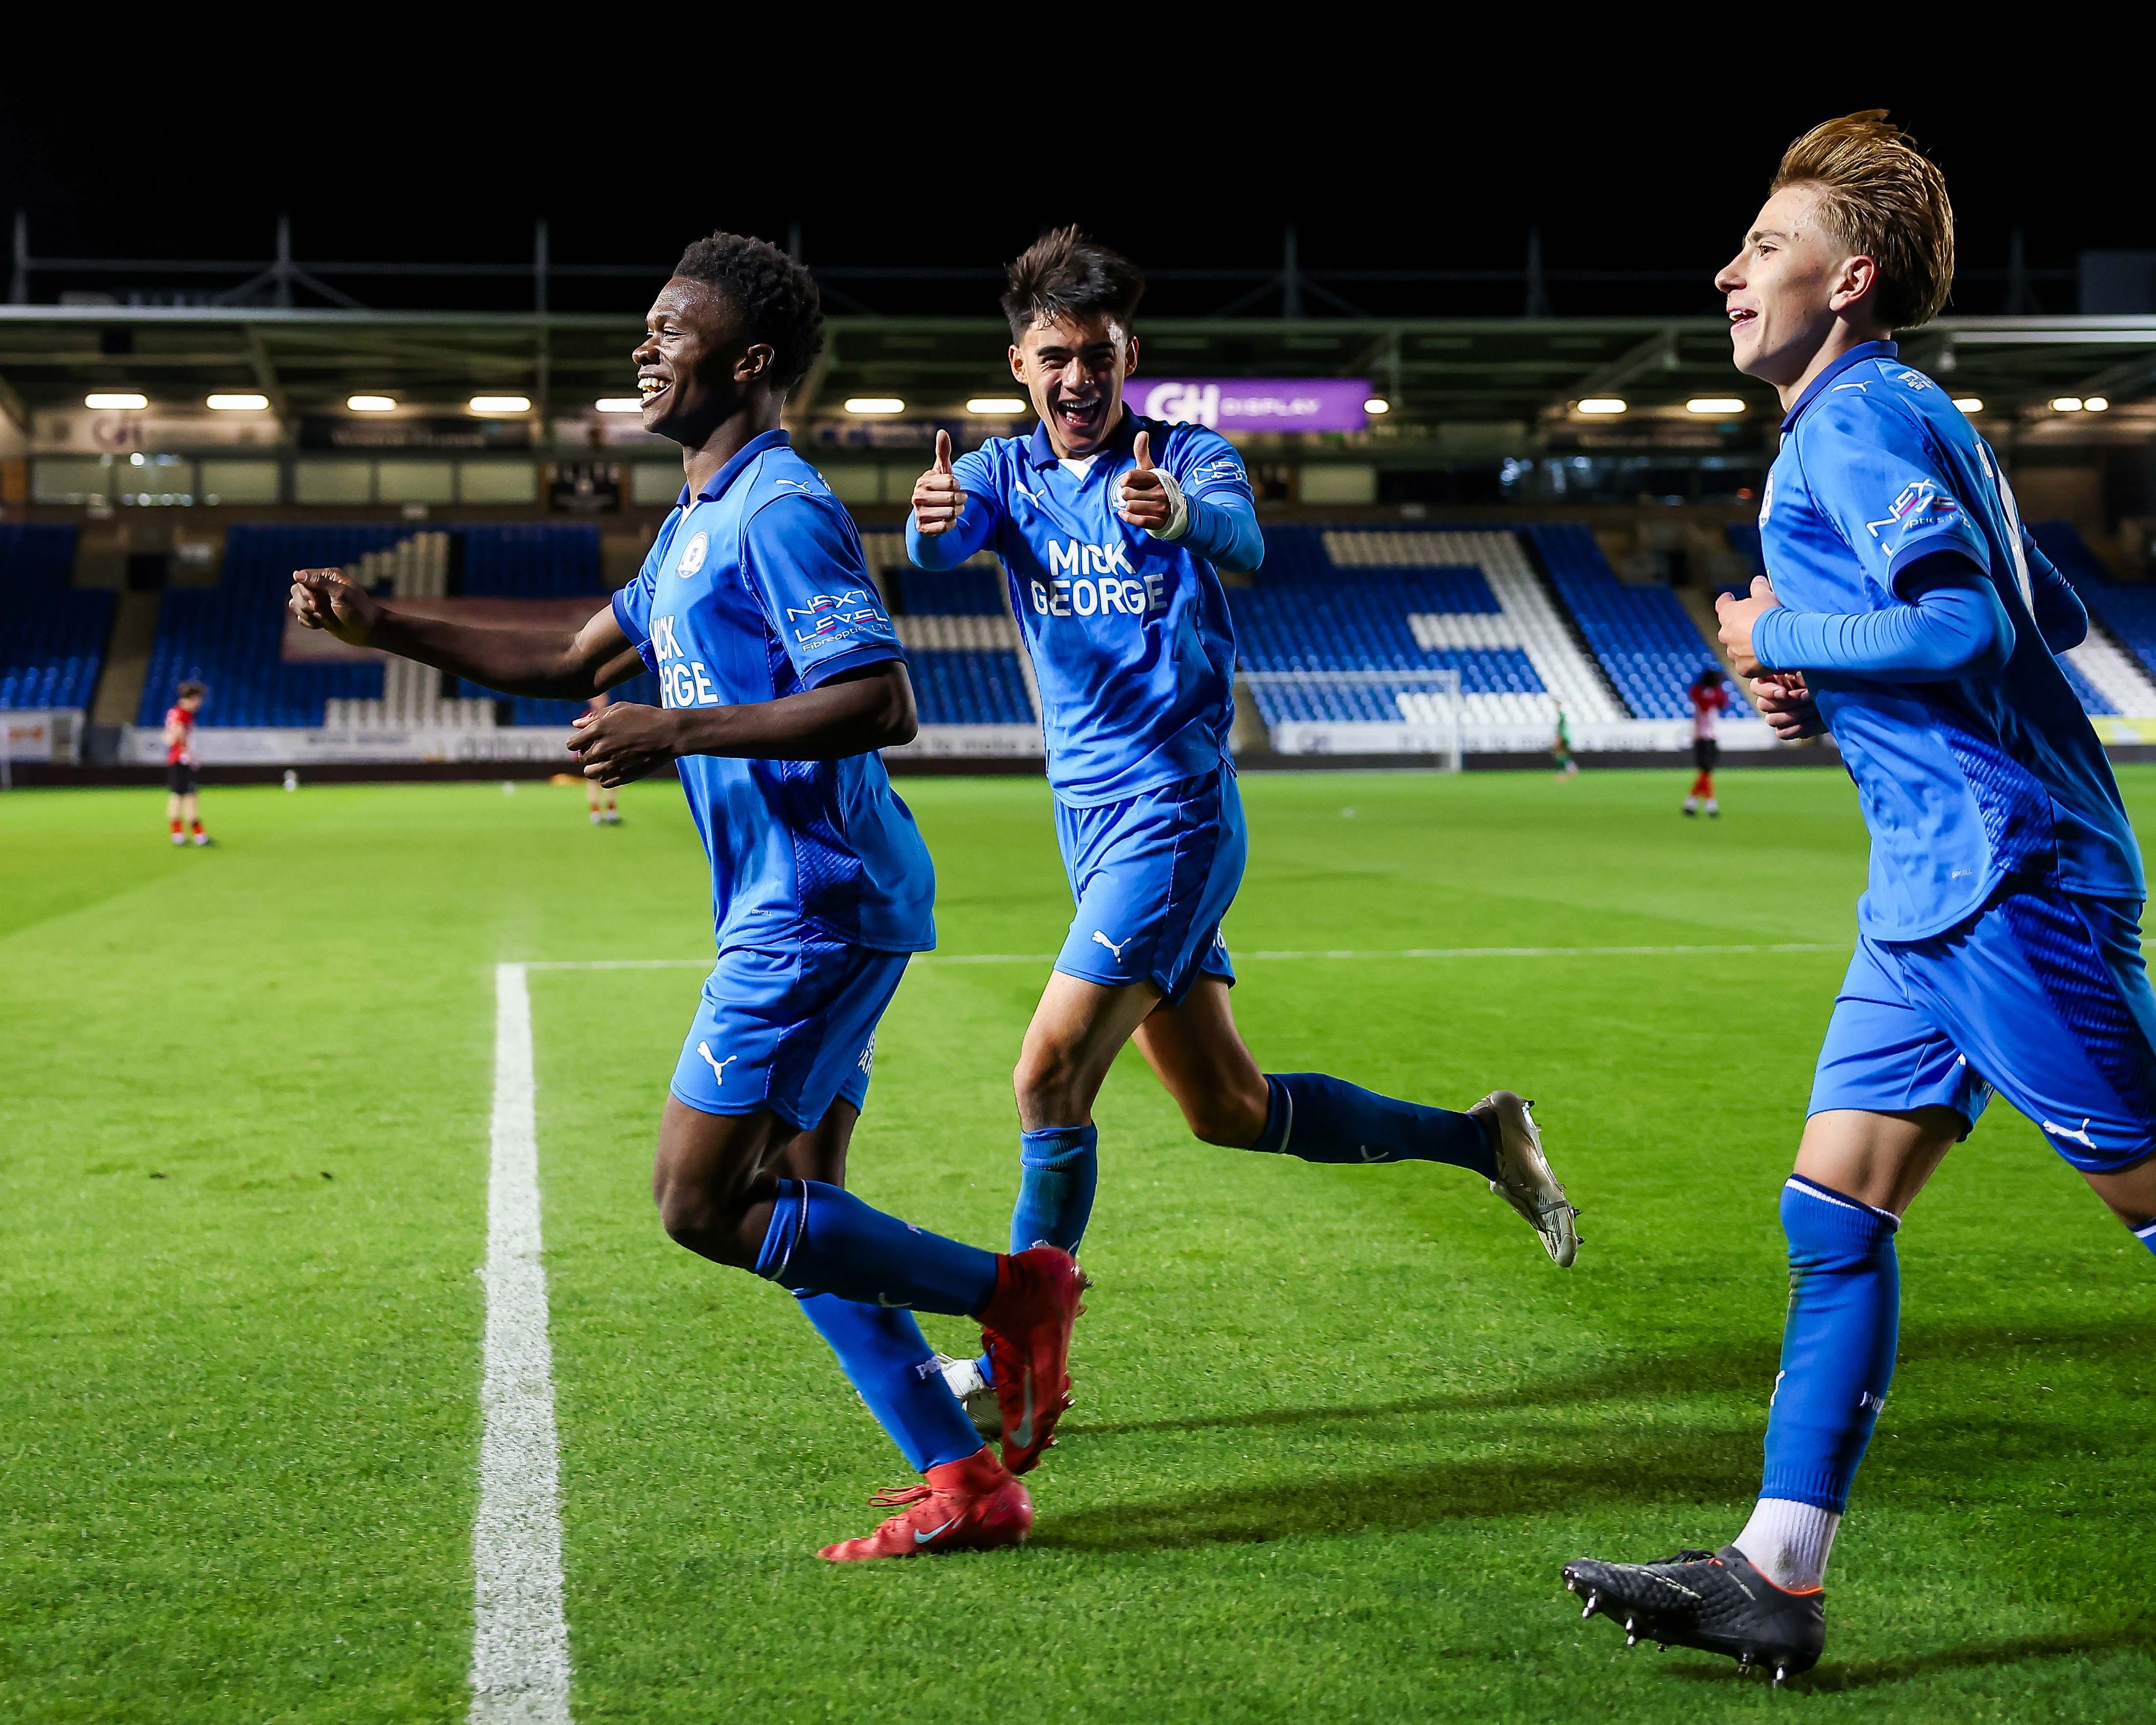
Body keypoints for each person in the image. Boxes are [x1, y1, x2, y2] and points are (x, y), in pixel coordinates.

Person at [288, 231, 1084, 1563]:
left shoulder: (777, 507)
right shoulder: (691, 527)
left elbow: (880, 701)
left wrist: (674, 733)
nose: (644, 347)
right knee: (805, 1209)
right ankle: (966, 1482)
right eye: (647, 327)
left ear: (749, 360)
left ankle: (1014, 1295)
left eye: (671, 327)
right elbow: (563, 654)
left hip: (817, 900)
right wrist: (389, 625)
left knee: (701, 1201)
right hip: (809, 893)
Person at [1562, 113, 2155, 1684]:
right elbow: (2059, 605)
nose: (1730, 268)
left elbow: (1963, 626)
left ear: (1853, 276)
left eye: (1766, 245)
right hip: (1931, 889)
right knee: (1832, 1212)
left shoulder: (1853, 424)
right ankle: (1776, 1569)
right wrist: (1829, 666)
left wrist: (1791, 643)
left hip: (2004, 877)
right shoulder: (1900, 412)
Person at [907, 228, 1577, 1431]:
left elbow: (1244, 536)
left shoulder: (1187, 456)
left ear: (1129, 358)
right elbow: (940, 544)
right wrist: (928, 515)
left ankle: (1016, 1359)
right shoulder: (1005, 477)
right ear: (1020, 363)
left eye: (1098, 356)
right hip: (1090, 828)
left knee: (1049, 1072)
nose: (1078, 379)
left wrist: (1177, 518)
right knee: (1227, 1109)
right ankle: (1482, 1142)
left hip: (1175, 812)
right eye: (1055, 356)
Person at [163, 680, 210, 846]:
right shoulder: (181, 713)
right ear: (190, 699)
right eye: (198, 699)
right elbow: (174, 735)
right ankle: (189, 834)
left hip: (180, 760)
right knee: (183, 796)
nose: (199, 703)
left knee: (184, 796)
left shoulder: (177, 713)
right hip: (181, 761)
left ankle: (187, 834)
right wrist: (186, 752)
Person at [1685, 666, 1730, 815]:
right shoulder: (1703, 693)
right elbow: (1709, 705)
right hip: (1705, 737)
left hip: (1707, 736)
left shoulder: (1705, 692)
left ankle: (1692, 803)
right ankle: (1709, 805)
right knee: (1706, 772)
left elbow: (1724, 703)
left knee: (1706, 773)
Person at [583, 688, 621, 824]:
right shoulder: (587, 716)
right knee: (594, 783)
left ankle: (611, 810)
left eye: (602, 698)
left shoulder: (612, 715)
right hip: (594, 755)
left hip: (610, 753)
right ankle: (595, 812)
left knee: (613, 781)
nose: (599, 701)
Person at [1551, 701, 1578, 778]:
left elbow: (1561, 728)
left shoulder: (1562, 716)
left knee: (1558, 753)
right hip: (1565, 737)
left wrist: (1559, 738)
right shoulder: (1562, 717)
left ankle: (1562, 772)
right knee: (1563, 754)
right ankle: (1571, 768)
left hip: (1563, 737)